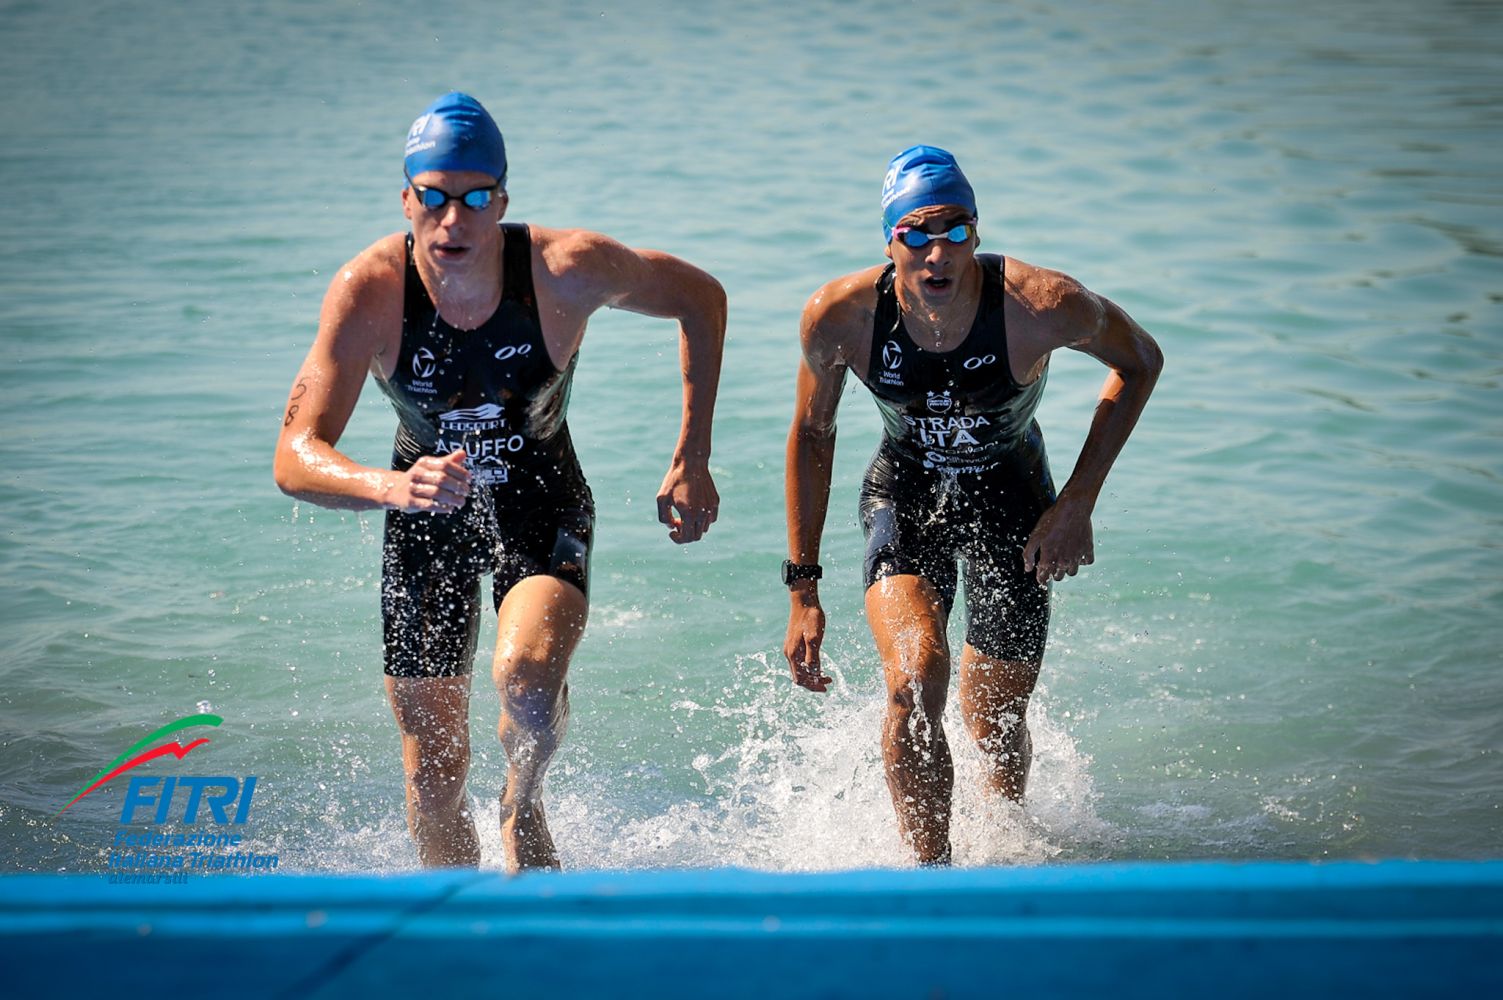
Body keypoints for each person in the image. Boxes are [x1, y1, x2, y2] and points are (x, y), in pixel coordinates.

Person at [274, 93, 725, 871]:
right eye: (435, 198)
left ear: (503, 202)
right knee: (432, 775)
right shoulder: (370, 291)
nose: (454, 220)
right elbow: (294, 454)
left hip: (540, 499)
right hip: (424, 518)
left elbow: (701, 299)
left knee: (526, 684)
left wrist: (692, 454)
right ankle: (457, 923)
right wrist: (390, 488)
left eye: (477, 198)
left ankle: (524, 799)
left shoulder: (566, 269)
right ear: (406, 199)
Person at [782, 146, 1162, 865]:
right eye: (916, 234)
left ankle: (1006, 850)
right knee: (912, 683)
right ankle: (931, 879)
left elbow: (1140, 360)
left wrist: (1077, 503)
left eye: (955, 230)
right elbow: (812, 433)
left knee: (994, 719)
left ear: (977, 234)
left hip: (1013, 503)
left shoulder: (1042, 304)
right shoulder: (840, 317)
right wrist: (803, 587)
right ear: (889, 241)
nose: (938, 253)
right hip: (904, 495)